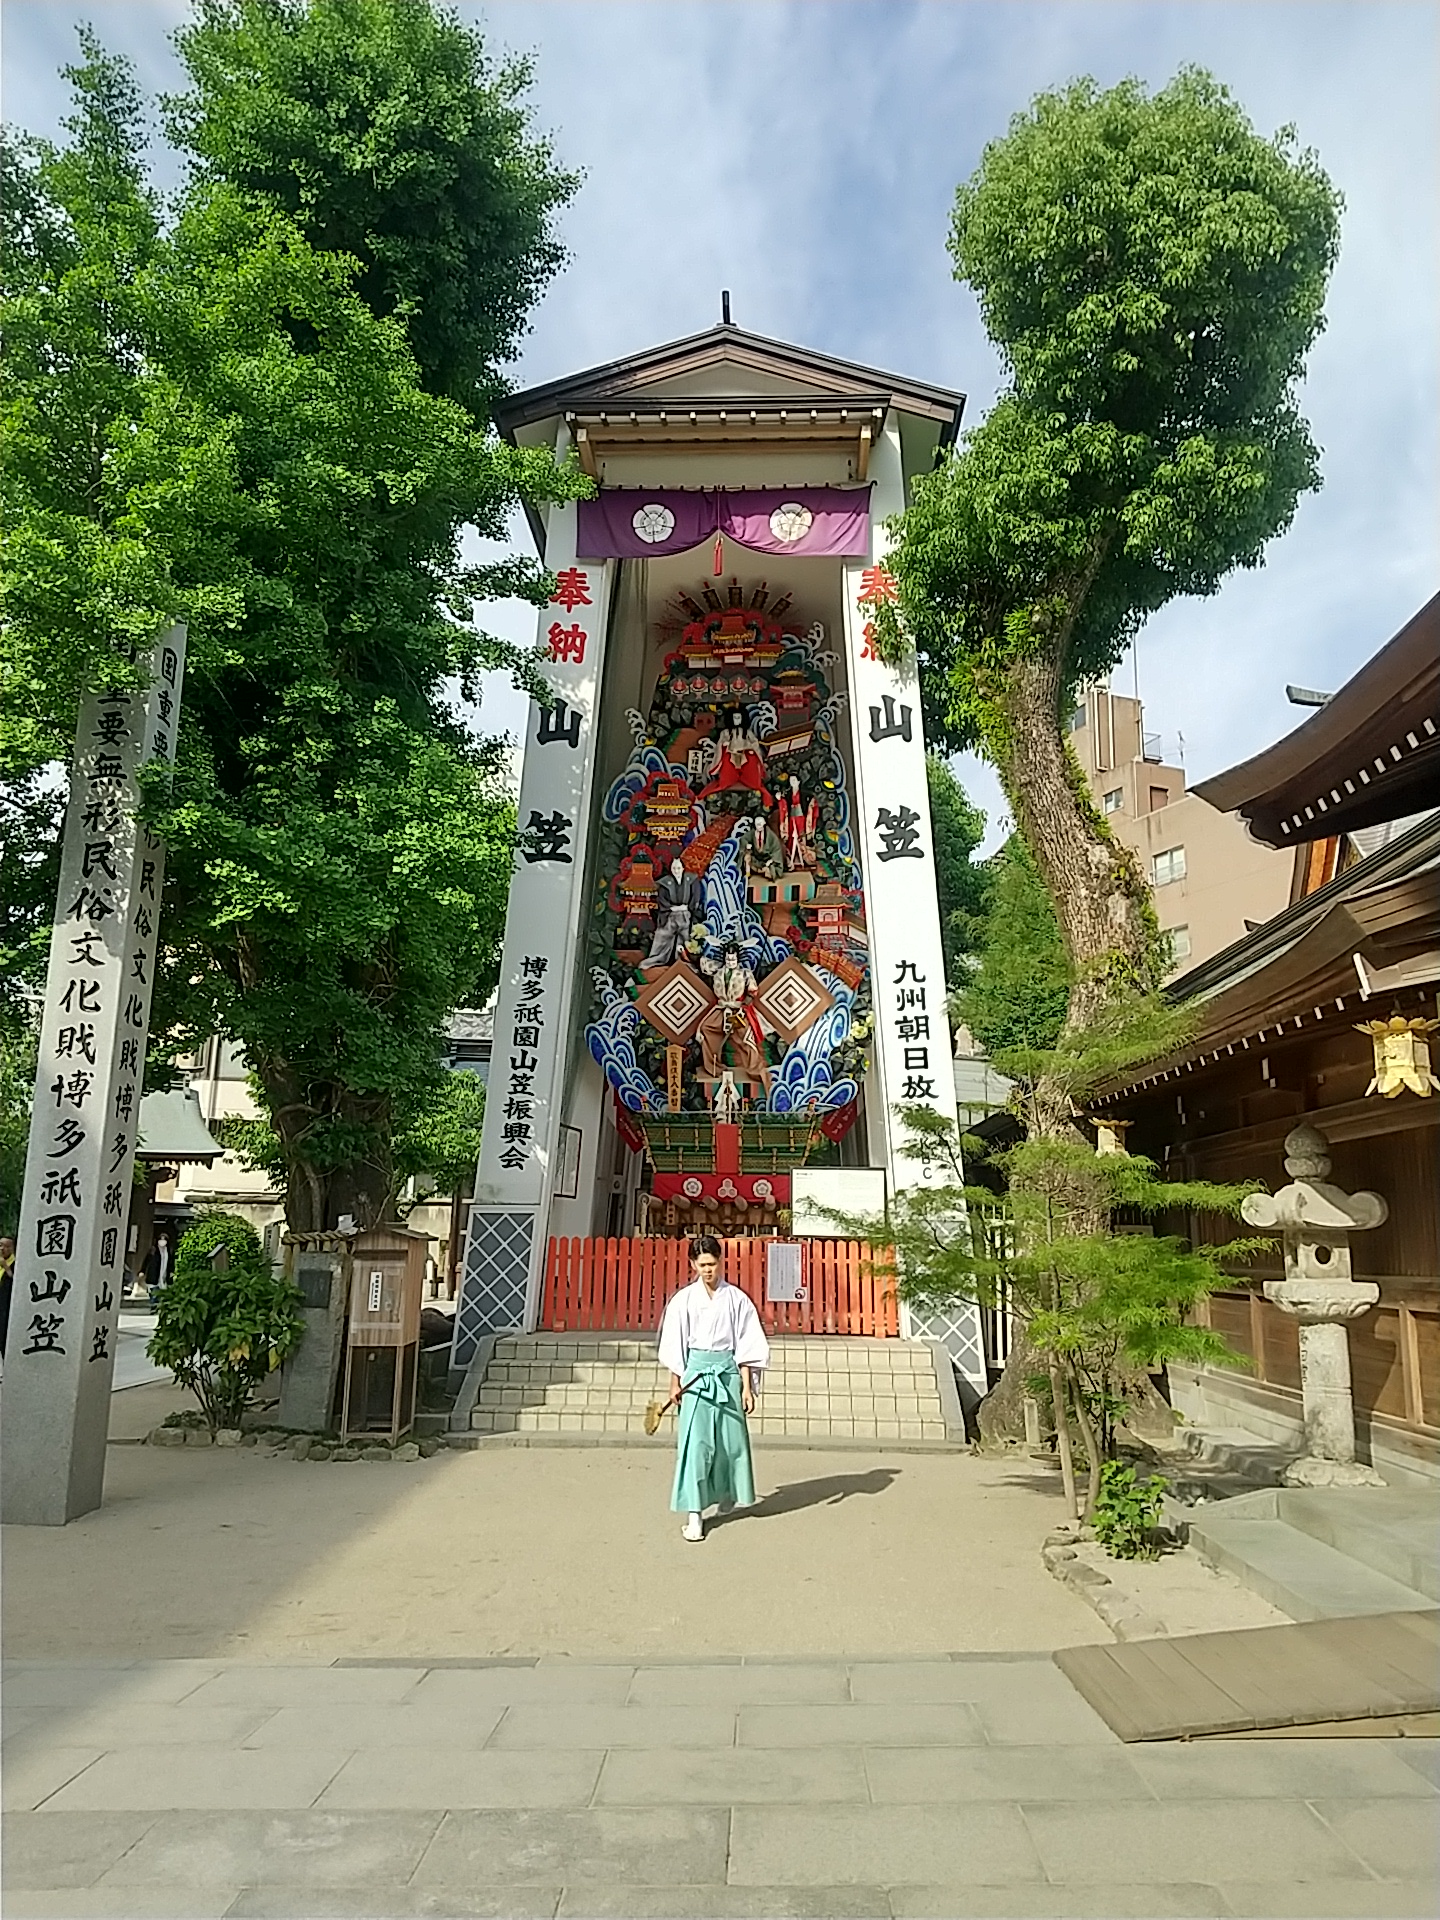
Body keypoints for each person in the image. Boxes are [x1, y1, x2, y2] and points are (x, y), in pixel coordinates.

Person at [657, 1235, 769, 1541]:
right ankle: (694, 1514)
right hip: (695, 1374)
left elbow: (747, 1344)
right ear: (692, 1264)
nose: (708, 1270)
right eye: (702, 1264)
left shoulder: (737, 1299)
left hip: (727, 1373)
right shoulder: (683, 1300)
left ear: (721, 1261)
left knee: (730, 1442)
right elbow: (674, 1343)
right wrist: (674, 1382)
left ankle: (727, 1495)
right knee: (697, 1445)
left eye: (712, 1263)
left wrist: (747, 1387)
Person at [697, 942, 770, 1091]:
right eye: (728, 959)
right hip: (721, 1008)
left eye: (733, 959)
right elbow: (699, 962)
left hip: (738, 1009)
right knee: (707, 1028)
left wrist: (745, 1004)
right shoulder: (717, 969)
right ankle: (713, 1066)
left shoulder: (744, 973)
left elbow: (753, 991)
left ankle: (755, 1070)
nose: (731, 962)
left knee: (745, 1039)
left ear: (738, 959)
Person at [645, 855, 705, 967]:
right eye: (674, 868)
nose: (676, 871)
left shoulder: (691, 879)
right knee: (662, 937)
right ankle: (654, 962)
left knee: (686, 940)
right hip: (670, 915)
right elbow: (661, 899)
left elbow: (695, 897)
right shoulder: (665, 883)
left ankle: (684, 963)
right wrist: (673, 908)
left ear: (683, 868)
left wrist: (688, 908)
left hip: (686, 915)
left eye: (678, 868)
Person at [0, 1235, 15, 1359]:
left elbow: (17, 1282)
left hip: (6, 1309)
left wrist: (6, 1267)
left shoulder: (16, 1264)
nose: (2, 1249)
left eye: (6, 1246)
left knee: (4, 1339)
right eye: (0, 1245)